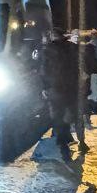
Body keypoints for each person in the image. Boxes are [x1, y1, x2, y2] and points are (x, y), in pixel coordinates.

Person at [39, 27, 80, 163]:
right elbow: (77, 67)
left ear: (53, 36)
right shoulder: (72, 48)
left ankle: (62, 144)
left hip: (55, 88)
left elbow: (44, 70)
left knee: (57, 114)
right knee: (68, 112)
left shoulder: (47, 50)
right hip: (70, 87)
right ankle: (69, 138)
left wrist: (44, 87)